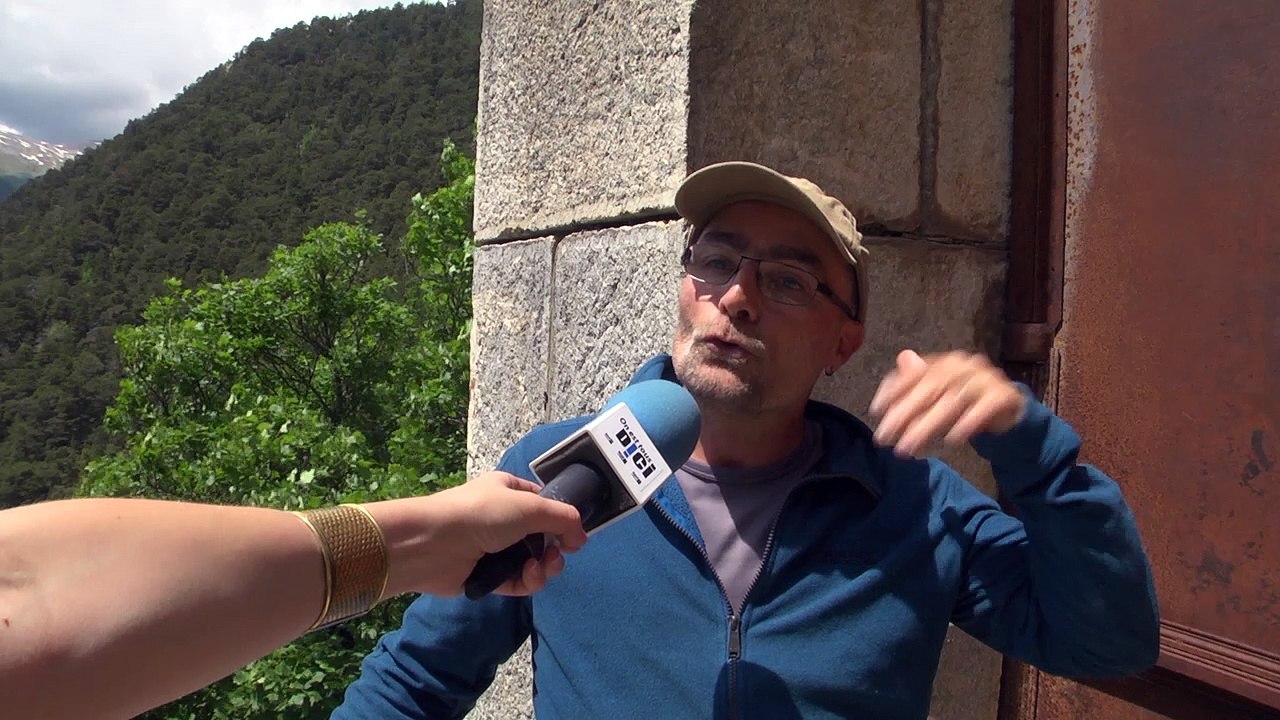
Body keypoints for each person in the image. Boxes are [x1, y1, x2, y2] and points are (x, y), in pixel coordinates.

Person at [334, 161, 1160, 719]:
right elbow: (414, 682)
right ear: (685, 290)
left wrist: (1033, 449)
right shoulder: (557, 476)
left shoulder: (915, 507)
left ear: (844, 341)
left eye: (790, 280)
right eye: (718, 260)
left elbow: (1109, 642)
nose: (737, 297)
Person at [0, 472, 588, 720]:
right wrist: (420, 541)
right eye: (687, 247)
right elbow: (33, 619)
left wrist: (420, 542)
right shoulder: (544, 488)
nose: (689, 268)